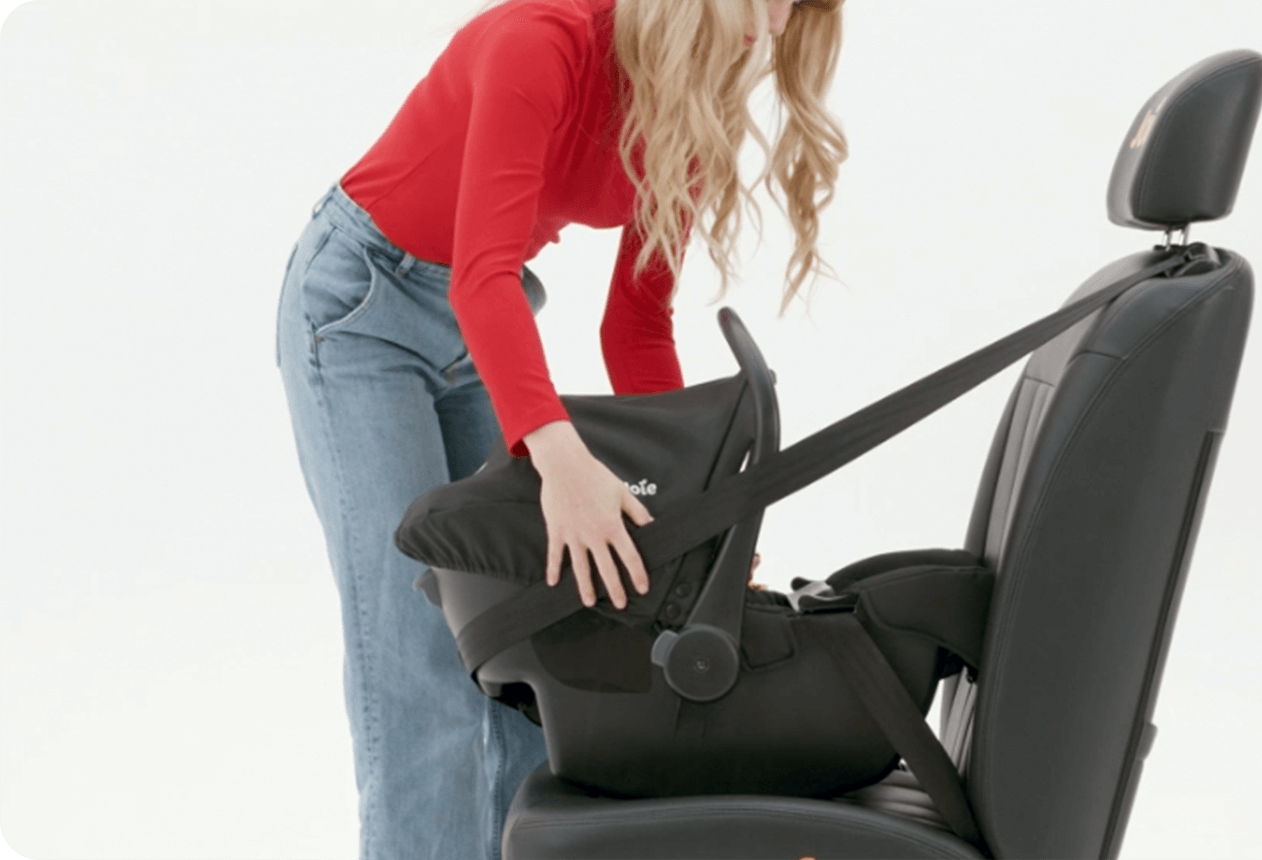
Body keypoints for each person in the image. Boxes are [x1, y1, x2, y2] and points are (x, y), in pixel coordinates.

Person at [274, 0, 846, 857]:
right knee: (423, 660)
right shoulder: (541, 42)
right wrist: (560, 459)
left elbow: (637, 326)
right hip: (363, 312)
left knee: (524, 645)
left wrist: (699, 513)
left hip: (481, 339)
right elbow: (483, 272)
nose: (772, 26)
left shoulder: (687, 101)